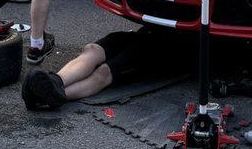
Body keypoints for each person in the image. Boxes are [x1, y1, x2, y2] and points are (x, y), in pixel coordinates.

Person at [21, 25, 196, 110]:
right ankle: (55, 81)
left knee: (103, 72)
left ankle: (52, 96)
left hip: (161, 50)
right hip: (139, 34)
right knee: (91, 50)